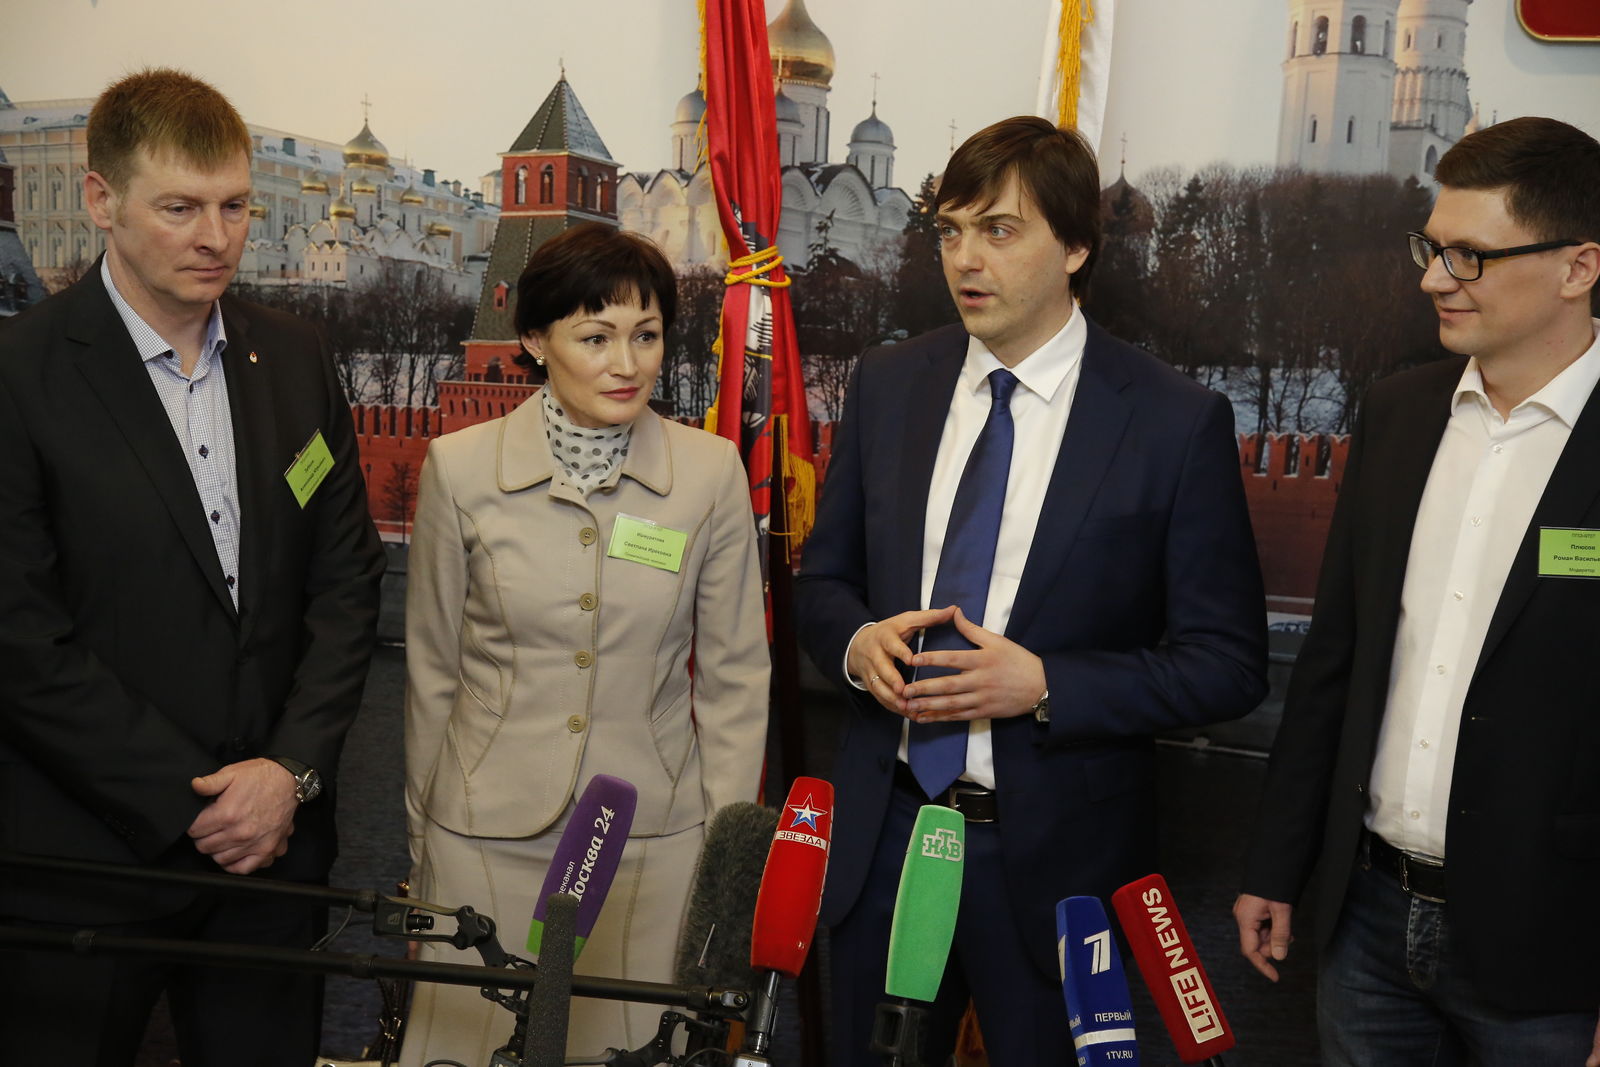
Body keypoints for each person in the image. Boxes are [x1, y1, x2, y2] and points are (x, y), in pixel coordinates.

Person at [794, 115, 1268, 1064]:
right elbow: (824, 583)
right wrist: (855, 643)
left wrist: (1047, 684)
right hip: (885, 839)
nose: (965, 258)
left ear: (1077, 247)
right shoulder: (889, 382)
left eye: (999, 231)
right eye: (950, 230)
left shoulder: (1173, 422)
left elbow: (1227, 664)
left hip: (1056, 866)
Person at [0, 69, 385, 1063]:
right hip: (85, 869)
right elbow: (19, 637)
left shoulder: (296, 357)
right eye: (179, 208)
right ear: (102, 200)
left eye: (235, 206)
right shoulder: (19, 373)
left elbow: (346, 584)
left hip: (273, 864)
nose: (216, 236)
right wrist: (195, 801)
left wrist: (288, 772)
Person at [1235, 116, 1600, 1067]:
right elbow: (1336, 660)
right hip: (1363, 926)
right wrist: (1277, 864)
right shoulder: (1399, 414)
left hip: (1557, 960)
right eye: (1431, 249)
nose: (1434, 278)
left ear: (1578, 267)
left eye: (1470, 256)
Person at [400, 222, 769, 1064]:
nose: (626, 363)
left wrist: (718, 866)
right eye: (595, 337)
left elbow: (735, 683)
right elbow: (432, 674)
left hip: (652, 848)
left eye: (646, 335)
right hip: (483, 838)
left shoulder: (710, 473)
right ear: (536, 340)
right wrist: (423, 852)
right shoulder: (459, 468)